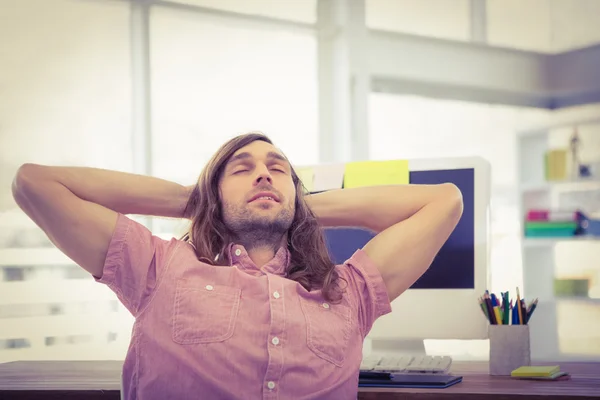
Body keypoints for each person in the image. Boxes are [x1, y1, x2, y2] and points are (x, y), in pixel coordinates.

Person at [11, 132, 463, 399]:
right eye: (241, 170)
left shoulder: (347, 291)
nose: (264, 175)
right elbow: (35, 182)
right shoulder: (157, 266)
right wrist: (197, 200)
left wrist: (293, 206)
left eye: (278, 169)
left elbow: (444, 201)